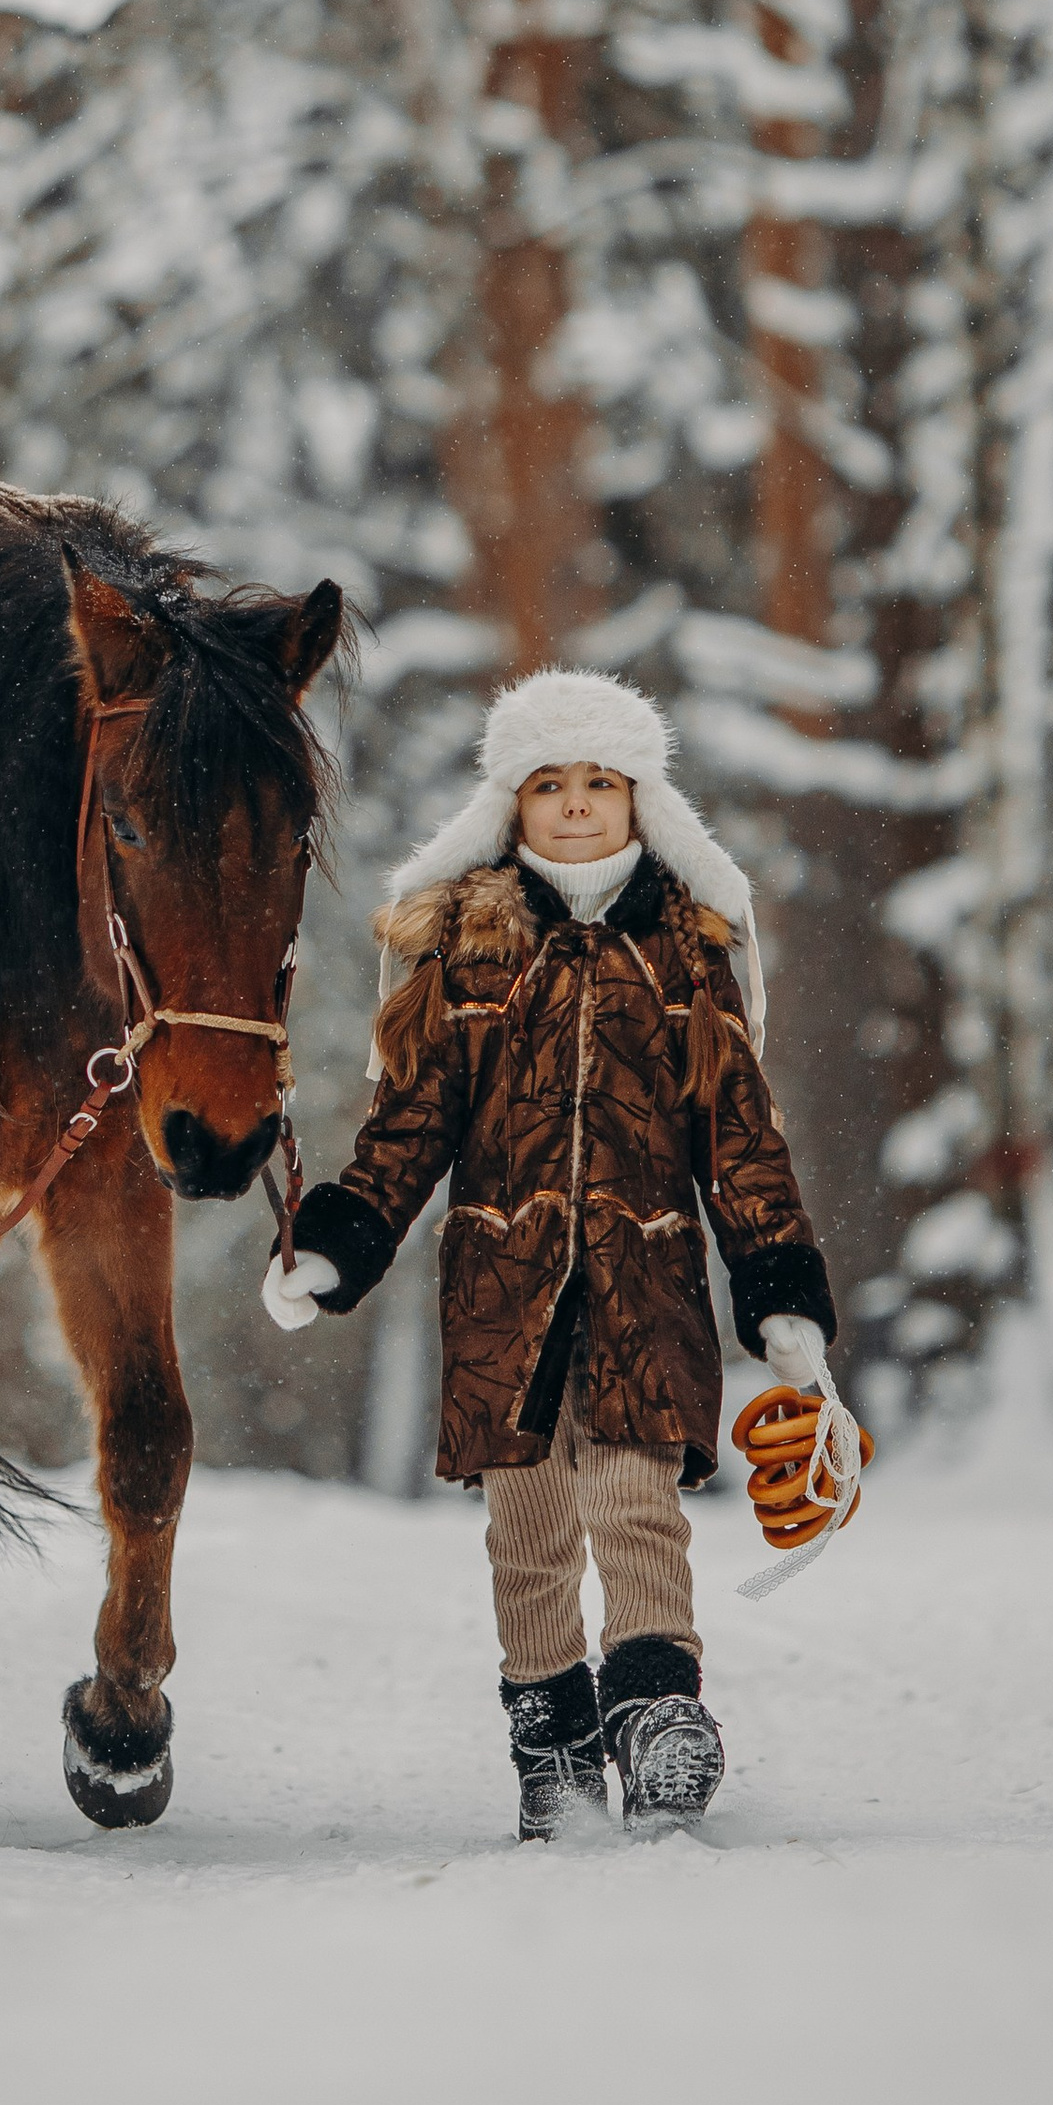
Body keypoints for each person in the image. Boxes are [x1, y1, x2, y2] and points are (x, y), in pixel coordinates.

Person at [261, 669, 844, 1837]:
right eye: (548, 785)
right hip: (500, 1289)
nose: (576, 807)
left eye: (599, 784)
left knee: (636, 1498)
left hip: (648, 1281)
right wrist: (336, 1247)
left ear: (642, 802)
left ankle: (656, 1709)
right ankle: (552, 1738)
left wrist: (778, 1295)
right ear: (508, 805)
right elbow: (408, 1129)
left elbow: (740, 1136)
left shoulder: (687, 954)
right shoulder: (470, 956)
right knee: (527, 1526)